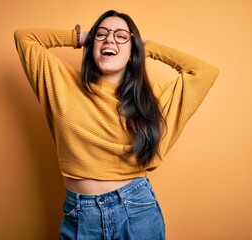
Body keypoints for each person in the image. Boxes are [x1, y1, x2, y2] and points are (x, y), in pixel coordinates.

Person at [14, 9, 218, 240]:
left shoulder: (152, 100)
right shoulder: (60, 81)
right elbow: (24, 37)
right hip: (80, 214)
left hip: (136, 210)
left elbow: (205, 72)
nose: (110, 38)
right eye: (102, 34)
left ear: (133, 51)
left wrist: (146, 47)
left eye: (121, 36)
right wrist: (82, 37)